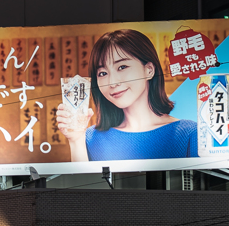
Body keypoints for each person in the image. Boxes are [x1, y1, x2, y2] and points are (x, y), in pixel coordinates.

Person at [56, 29, 198, 162]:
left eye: (122, 67)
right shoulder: (90, 138)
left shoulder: (188, 134)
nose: (112, 82)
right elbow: (84, 187)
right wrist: (75, 141)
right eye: (103, 73)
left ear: (149, 70)